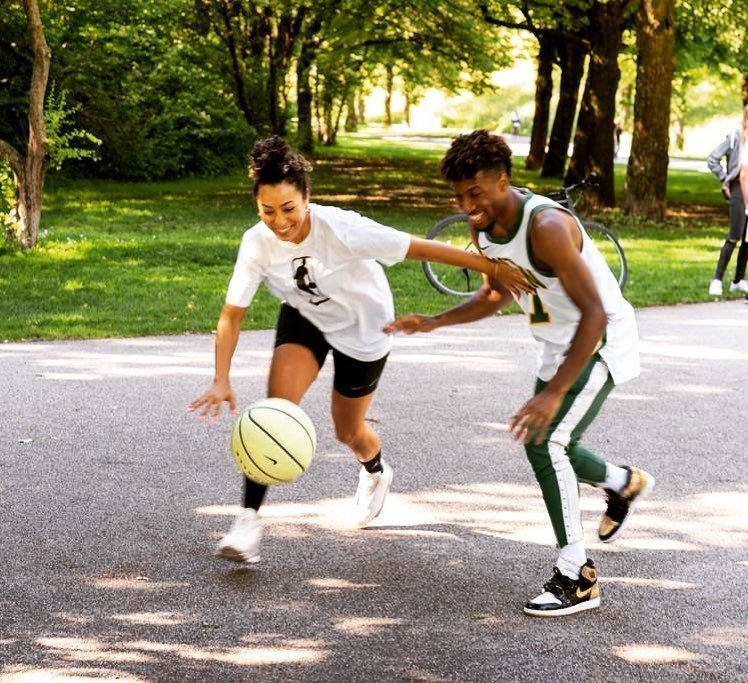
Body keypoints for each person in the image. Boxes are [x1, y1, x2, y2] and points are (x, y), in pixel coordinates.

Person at [188, 135, 533, 565]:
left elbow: (421, 248)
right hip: (306, 317)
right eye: (268, 211)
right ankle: (248, 520)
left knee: (347, 432)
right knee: (274, 413)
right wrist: (221, 377)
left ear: (308, 198)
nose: (279, 221)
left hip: (365, 327)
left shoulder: (345, 229)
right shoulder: (256, 242)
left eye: (289, 209)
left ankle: (375, 470)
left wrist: (494, 267)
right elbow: (231, 315)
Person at [385, 130, 654, 617]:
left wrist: (552, 393)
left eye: (476, 193)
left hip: (601, 338)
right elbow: (496, 293)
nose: (468, 206)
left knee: (545, 441)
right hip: (558, 344)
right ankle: (621, 482)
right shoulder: (483, 228)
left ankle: (578, 575)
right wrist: (434, 321)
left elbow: (593, 312)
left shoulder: (546, 226)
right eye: (459, 196)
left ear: (503, 182)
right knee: (556, 443)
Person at [706, 105, 748, 297]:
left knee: (747, 240)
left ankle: (738, 281)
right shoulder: (735, 138)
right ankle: (716, 280)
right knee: (734, 236)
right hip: (738, 192)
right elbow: (712, 159)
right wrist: (724, 178)